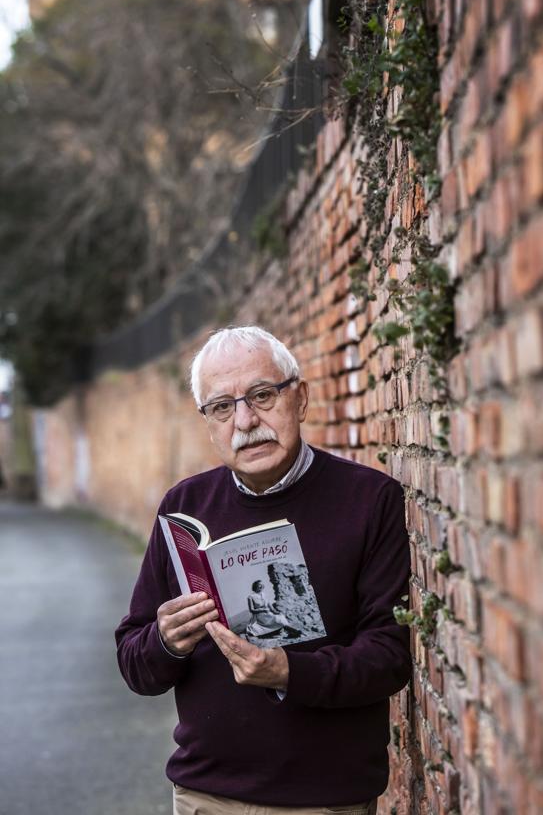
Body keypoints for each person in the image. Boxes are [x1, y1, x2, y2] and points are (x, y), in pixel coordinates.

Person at [115, 325, 411, 815]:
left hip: (325, 798)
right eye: (222, 407)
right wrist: (166, 640)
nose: (245, 421)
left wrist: (288, 672)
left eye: (262, 395)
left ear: (300, 398)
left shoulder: (370, 500)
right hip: (204, 794)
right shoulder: (183, 508)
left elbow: (389, 658)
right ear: (208, 421)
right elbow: (135, 665)